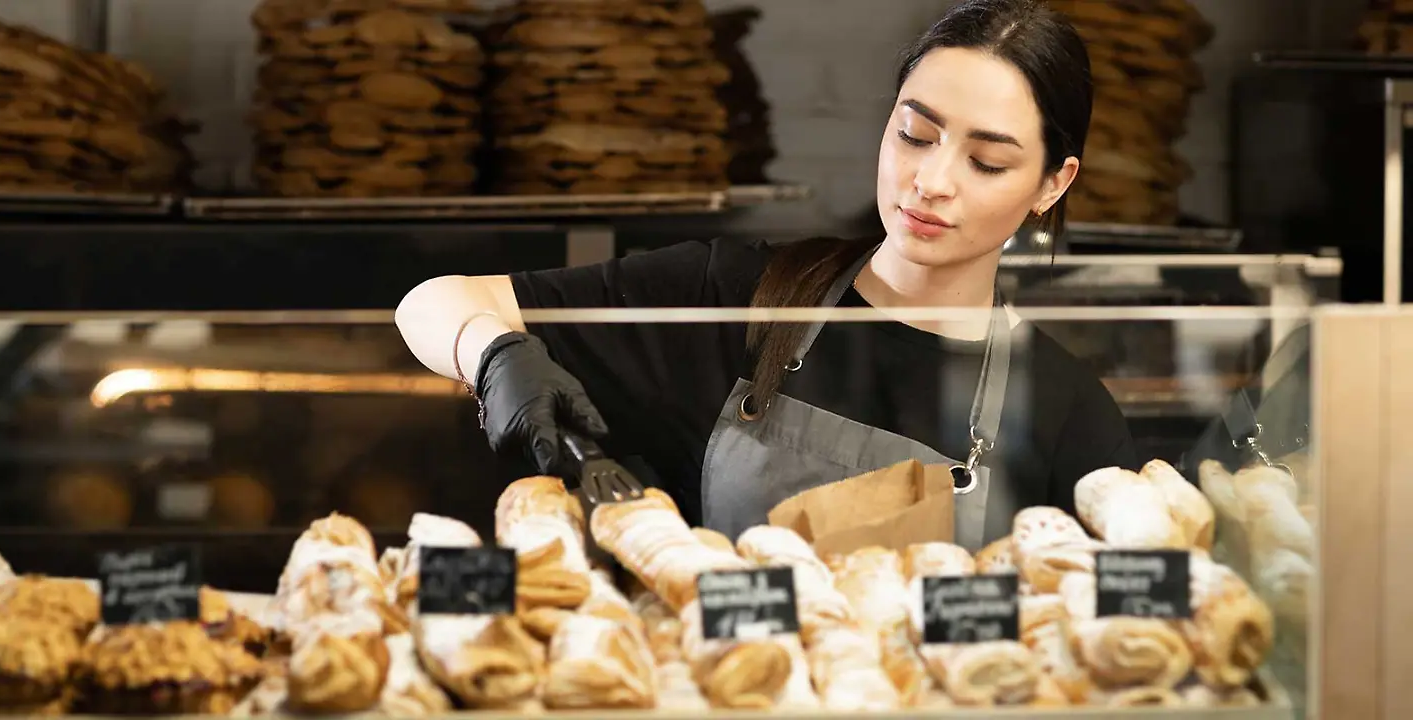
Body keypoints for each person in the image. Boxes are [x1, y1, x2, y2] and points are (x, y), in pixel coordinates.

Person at [396, 0, 1137, 551]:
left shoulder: (1069, 410)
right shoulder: (736, 296)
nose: (932, 180)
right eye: (914, 134)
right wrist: (492, 354)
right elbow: (431, 301)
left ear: (1051, 184)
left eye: (987, 161)